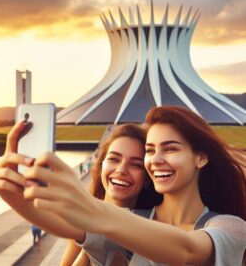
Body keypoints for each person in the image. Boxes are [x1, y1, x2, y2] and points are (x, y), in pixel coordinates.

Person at [15, 106, 246, 265]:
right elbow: (64, 224)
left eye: (171, 149)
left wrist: (86, 203)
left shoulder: (229, 227)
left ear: (201, 158)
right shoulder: (130, 221)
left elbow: (185, 250)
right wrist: (15, 187)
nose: (156, 160)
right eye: (150, 150)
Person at [0, 123, 154, 265]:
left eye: (136, 165)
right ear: (101, 165)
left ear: (147, 178)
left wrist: (19, 201)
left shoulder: (150, 223)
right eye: (114, 159)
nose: (121, 170)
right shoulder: (81, 231)